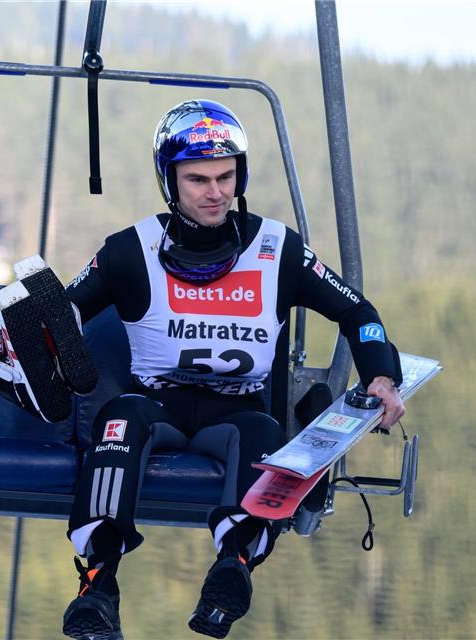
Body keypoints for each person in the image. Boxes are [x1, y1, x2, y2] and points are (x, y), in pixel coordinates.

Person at [56, 99, 406, 640]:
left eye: (226, 176)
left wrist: (381, 376)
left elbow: (356, 312)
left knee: (267, 434)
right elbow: (63, 311)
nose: (215, 191)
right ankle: (98, 585)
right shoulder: (131, 249)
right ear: (169, 180)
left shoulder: (277, 248)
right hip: (155, 405)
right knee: (117, 420)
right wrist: (34, 336)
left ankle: (234, 567)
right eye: (197, 178)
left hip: (237, 412)